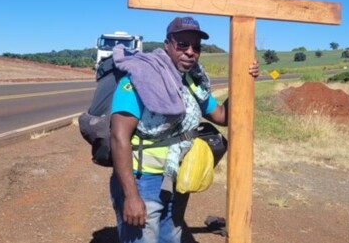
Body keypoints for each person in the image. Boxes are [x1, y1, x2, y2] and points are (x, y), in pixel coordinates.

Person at [109, 16, 259, 243]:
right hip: (142, 180)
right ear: (168, 44)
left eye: (196, 47)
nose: (190, 52)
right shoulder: (140, 76)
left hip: (176, 178)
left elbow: (223, 116)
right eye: (182, 44)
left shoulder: (191, 82)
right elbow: (119, 137)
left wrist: (243, 81)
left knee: (170, 238)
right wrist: (131, 196)